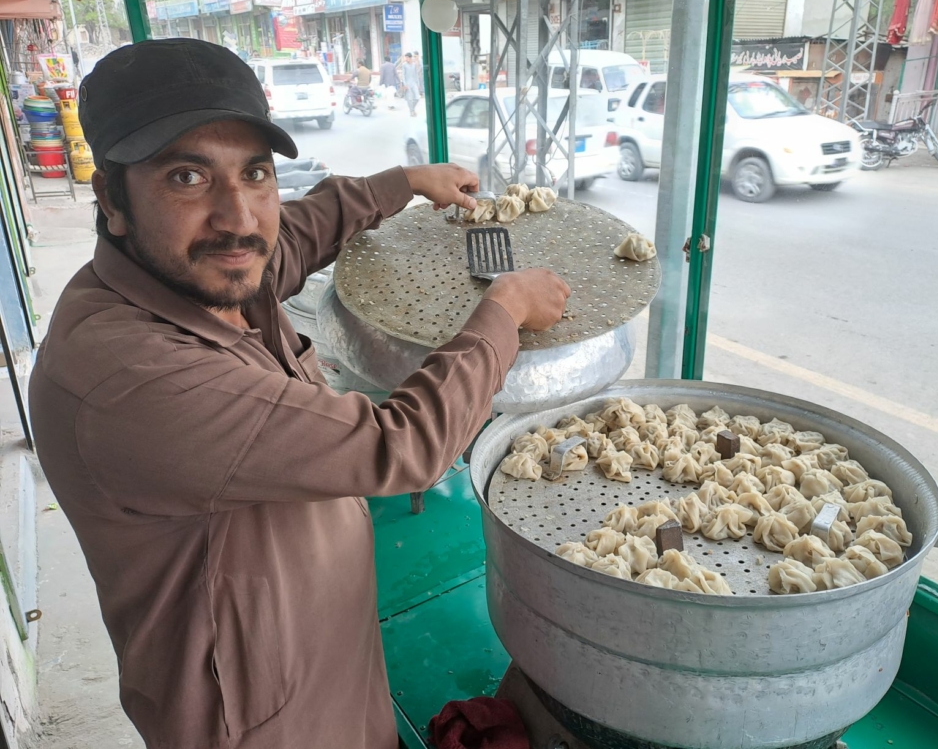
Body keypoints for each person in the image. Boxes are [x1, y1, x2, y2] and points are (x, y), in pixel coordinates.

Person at [28, 39, 569, 749]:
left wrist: (402, 182)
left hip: (318, 643)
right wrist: (502, 312)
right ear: (112, 200)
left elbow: (295, 236)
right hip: (261, 715)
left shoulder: (197, 275)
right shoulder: (127, 376)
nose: (239, 217)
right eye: (187, 177)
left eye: (254, 173)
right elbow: (400, 447)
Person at [401, 51, 420, 116]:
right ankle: (412, 111)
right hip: (407, 84)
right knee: (409, 98)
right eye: (405, 58)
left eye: (407, 58)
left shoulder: (414, 65)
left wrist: (418, 84)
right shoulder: (404, 65)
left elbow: (416, 74)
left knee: (417, 98)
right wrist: (405, 84)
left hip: (414, 83)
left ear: (410, 58)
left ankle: (412, 109)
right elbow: (403, 75)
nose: (406, 59)